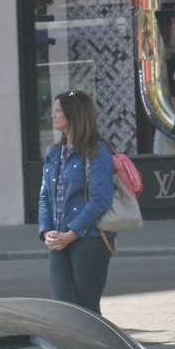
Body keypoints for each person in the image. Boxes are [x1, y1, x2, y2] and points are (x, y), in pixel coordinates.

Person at [37, 90, 116, 315]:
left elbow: (101, 198)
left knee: (87, 309)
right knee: (64, 307)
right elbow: (44, 195)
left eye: (58, 111)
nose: (52, 115)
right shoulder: (53, 151)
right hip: (58, 239)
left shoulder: (97, 150)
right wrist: (46, 232)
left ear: (74, 115)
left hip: (90, 239)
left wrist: (71, 233)